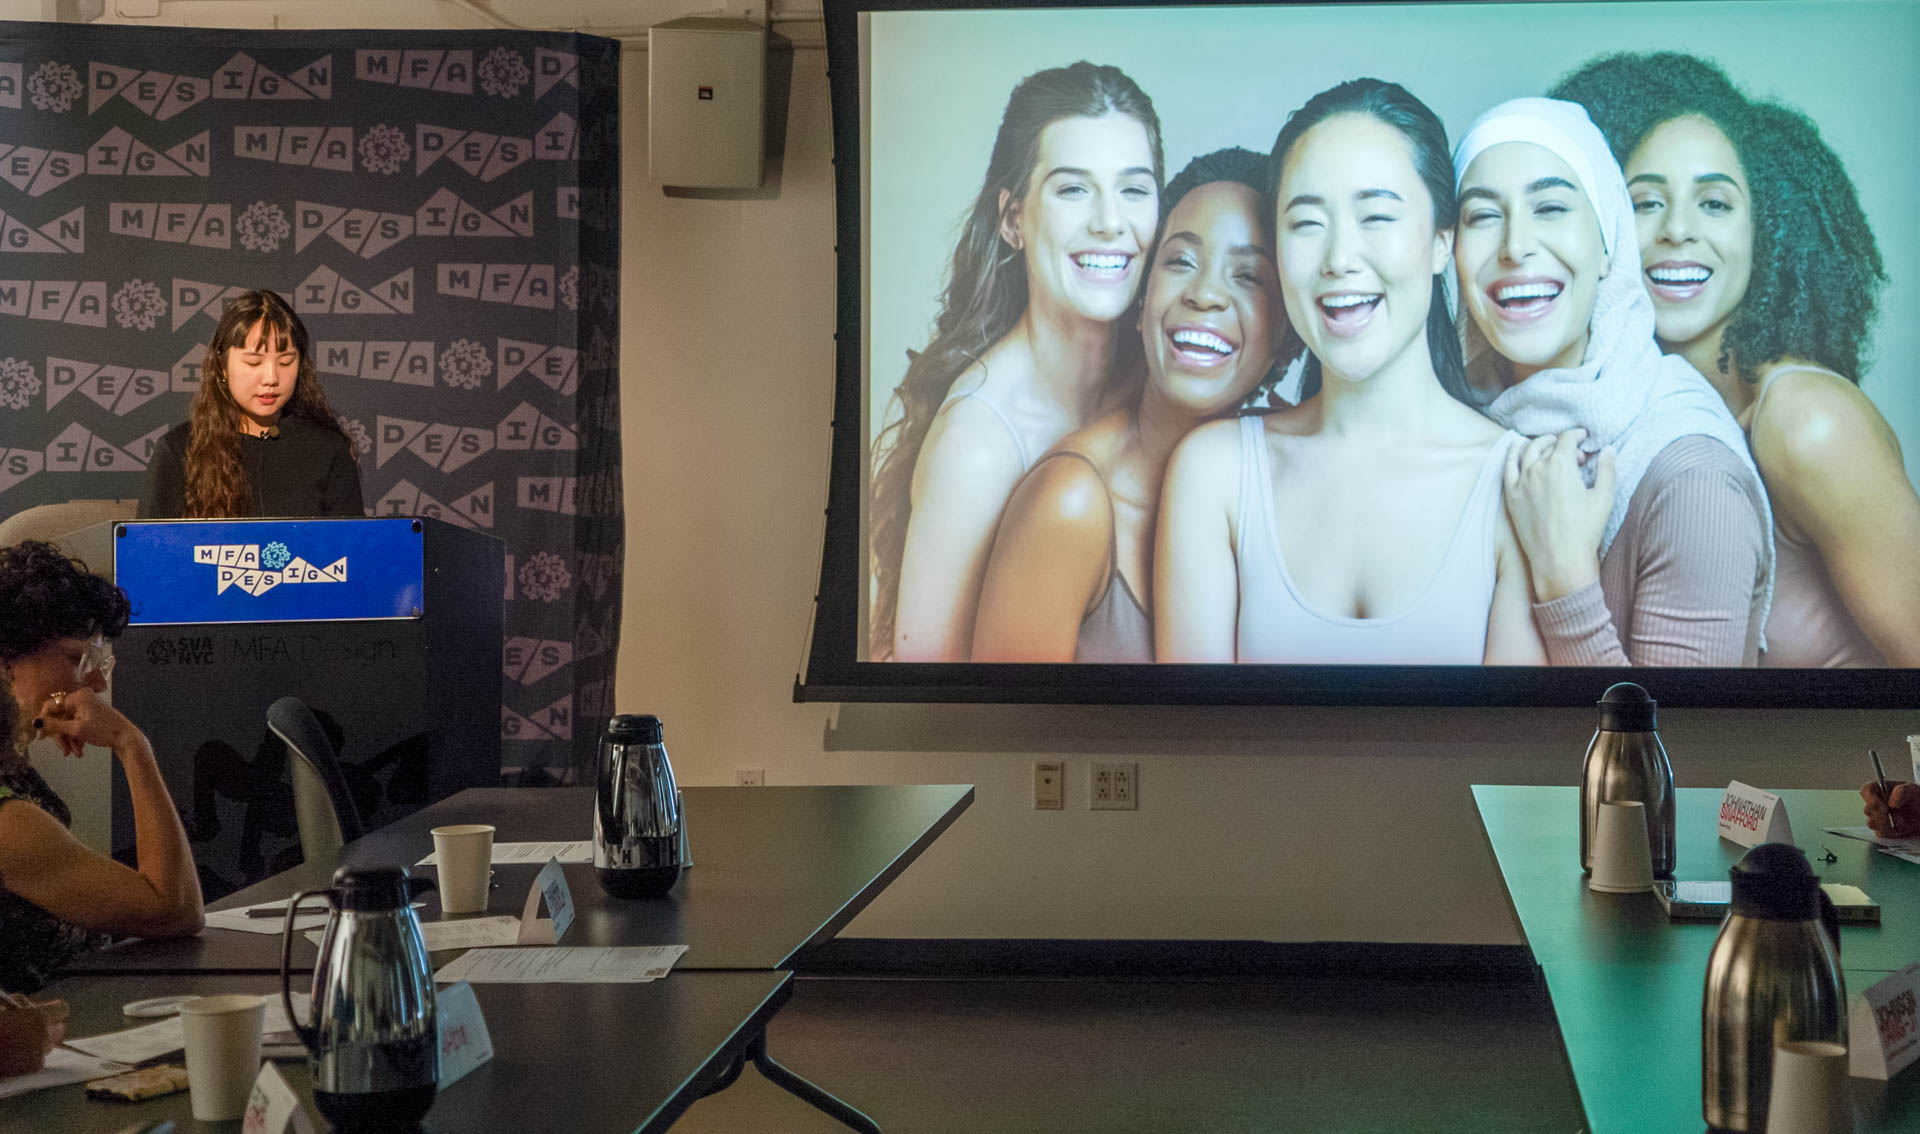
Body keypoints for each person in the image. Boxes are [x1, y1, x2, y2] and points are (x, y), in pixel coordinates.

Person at [1550, 53, 1920, 667]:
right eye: (1645, 203)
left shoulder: (1806, 422)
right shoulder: (1632, 423)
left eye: (1715, 204)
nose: (1676, 230)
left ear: (1767, 231)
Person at [1156, 79, 1541, 665]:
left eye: (1377, 217)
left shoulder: (1520, 482)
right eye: (1307, 223)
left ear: (1443, 243)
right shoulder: (1215, 473)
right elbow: (1199, 747)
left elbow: (1512, 753)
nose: (1339, 258)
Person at [1450, 97, 1771, 668]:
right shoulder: (1459, 422)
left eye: (1550, 208)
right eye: (1482, 215)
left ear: (1608, 245)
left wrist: (1564, 579)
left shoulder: (1692, 476)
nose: (1515, 246)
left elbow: (1679, 750)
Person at [869, 62, 1164, 661]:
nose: (1111, 222)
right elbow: (935, 714)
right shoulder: (976, 445)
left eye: (1134, 188)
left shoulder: (1161, 384)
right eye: (1073, 188)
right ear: (1012, 219)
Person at [973, 148, 1292, 662]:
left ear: (1289, 335)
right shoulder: (1071, 500)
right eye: (1180, 261)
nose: (1205, 294)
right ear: (1142, 303)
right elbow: (996, 736)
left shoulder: (1291, 479)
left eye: (1248, 275)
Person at [0, 541, 203, 992]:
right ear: (6, 662)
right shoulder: (8, 824)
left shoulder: (15, 769)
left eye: (100, 662)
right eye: (77, 659)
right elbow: (175, 909)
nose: (96, 682)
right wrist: (131, 745)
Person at [139, 289, 364, 519]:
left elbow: (352, 548)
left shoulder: (328, 451)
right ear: (222, 366)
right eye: (254, 362)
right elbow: (147, 550)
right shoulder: (179, 451)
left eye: (286, 362)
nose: (271, 378)